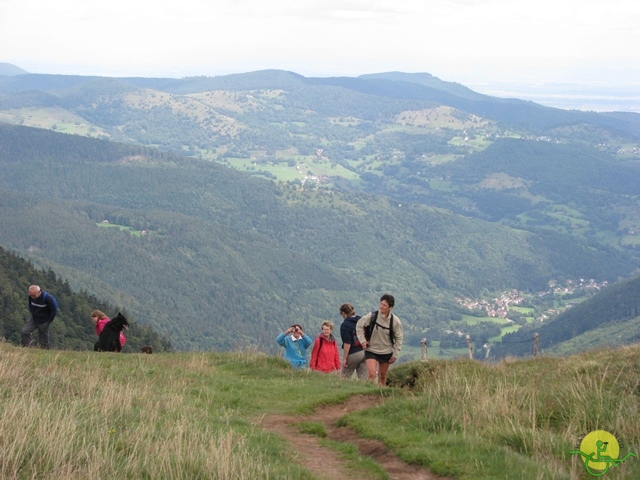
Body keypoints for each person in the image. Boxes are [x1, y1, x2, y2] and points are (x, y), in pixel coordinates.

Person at [356, 294, 404, 386]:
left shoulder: (395, 321)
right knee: (372, 374)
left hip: (386, 351)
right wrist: (362, 341)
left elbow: (399, 338)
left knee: (382, 375)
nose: (381, 306)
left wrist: (395, 354)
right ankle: (369, 394)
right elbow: (359, 325)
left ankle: (380, 394)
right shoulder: (372, 316)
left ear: (390, 307)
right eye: (381, 304)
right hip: (371, 349)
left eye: (384, 305)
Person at [22, 285, 58, 349]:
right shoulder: (30, 297)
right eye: (31, 295)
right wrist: (32, 313)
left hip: (44, 321)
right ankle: (26, 348)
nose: (32, 297)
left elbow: (54, 310)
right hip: (34, 318)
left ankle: (44, 352)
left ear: (39, 292)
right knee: (25, 332)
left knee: (43, 339)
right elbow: (30, 304)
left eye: (34, 295)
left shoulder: (48, 299)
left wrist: (49, 321)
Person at [339, 303, 367, 379]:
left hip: (354, 352)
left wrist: (345, 358)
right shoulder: (360, 320)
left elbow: (347, 343)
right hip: (365, 351)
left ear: (344, 313)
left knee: (344, 376)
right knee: (364, 377)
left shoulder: (345, 325)